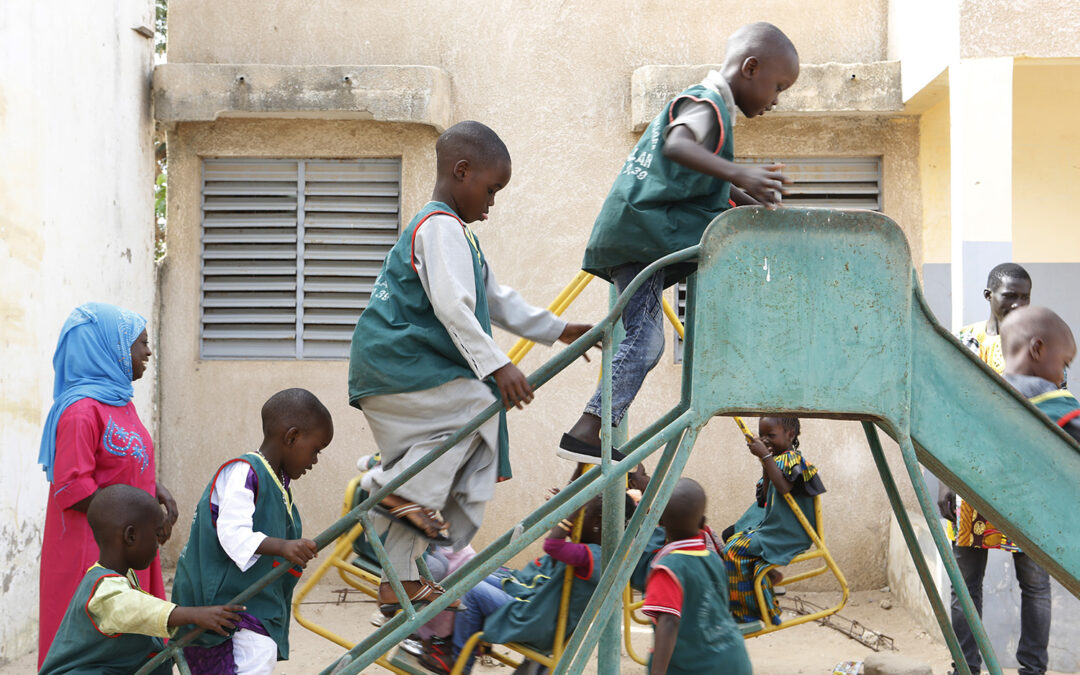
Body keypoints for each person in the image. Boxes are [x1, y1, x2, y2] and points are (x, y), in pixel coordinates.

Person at [347, 120, 592, 613]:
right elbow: (454, 307)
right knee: (478, 408)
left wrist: (556, 328)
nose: (493, 202)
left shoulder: (460, 237)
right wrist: (498, 367)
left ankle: (396, 580)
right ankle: (378, 486)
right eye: (491, 188)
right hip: (400, 367)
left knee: (434, 478)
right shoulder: (438, 227)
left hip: (399, 372)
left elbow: (495, 299)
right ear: (462, 171)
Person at [558, 22, 800, 464]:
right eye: (778, 86)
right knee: (647, 341)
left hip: (642, 238)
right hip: (639, 238)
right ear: (750, 68)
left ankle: (595, 431)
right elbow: (677, 145)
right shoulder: (705, 105)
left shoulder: (715, 114)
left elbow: (709, 186)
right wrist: (741, 173)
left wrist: (751, 202)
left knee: (646, 338)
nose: (776, 100)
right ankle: (587, 429)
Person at [37, 302, 178, 666]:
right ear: (109, 349)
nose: (148, 352)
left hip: (129, 539)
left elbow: (123, 465)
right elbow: (72, 487)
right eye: (140, 343)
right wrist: (140, 516)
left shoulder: (119, 403)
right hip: (94, 548)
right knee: (95, 641)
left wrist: (156, 491)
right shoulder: (81, 411)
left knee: (132, 637)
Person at [940, 305, 1075, 675]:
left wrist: (946, 480)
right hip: (1033, 513)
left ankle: (966, 667)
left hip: (977, 499)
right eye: (1064, 363)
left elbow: (951, 438)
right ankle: (1031, 670)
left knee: (969, 587)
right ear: (1037, 349)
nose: (1064, 374)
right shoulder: (1052, 399)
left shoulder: (980, 393)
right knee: (1028, 585)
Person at [172, 388, 333, 674]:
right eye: (316, 449)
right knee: (254, 658)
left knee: (260, 656)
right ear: (292, 437)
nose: (315, 460)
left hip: (250, 610)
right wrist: (283, 547)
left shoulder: (279, 487)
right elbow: (233, 534)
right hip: (227, 612)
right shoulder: (244, 472)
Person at [39, 485, 242, 675]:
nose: (159, 544)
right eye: (156, 535)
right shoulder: (105, 591)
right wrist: (195, 615)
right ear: (131, 536)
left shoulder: (121, 576)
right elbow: (139, 609)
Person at [419, 494, 615, 674]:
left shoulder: (593, 556)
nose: (578, 518)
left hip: (537, 621)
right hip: (540, 612)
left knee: (471, 590)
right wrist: (569, 502)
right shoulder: (594, 551)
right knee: (474, 575)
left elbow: (553, 545)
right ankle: (456, 640)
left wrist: (572, 510)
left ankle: (461, 662)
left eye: (584, 514)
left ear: (597, 522)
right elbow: (571, 533)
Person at [722, 417, 825, 624]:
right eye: (762, 435)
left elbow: (784, 487)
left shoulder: (791, 459)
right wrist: (765, 461)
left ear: (790, 435)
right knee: (730, 536)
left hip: (789, 532)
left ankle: (751, 612)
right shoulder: (775, 461)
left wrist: (765, 456)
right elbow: (766, 496)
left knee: (733, 550)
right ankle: (764, 584)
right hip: (775, 525)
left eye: (771, 435)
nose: (765, 440)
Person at [643, 478, 751, 675]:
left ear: (660, 522)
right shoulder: (714, 559)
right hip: (734, 657)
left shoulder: (667, 569)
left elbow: (668, 622)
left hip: (697, 666)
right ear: (702, 523)